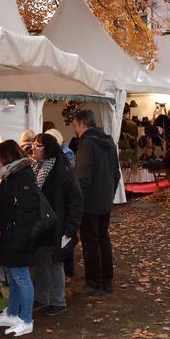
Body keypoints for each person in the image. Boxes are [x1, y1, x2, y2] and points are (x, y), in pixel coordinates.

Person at [0, 140, 41, 336]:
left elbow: (27, 211)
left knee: (21, 277)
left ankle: (27, 319)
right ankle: (13, 313)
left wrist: (20, 239)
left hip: (18, 237)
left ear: (6, 156)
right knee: (14, 276)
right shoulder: (13, 175)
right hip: (11, 235)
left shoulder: (21, 176)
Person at [31, 133, 83, 316]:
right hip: (42, 224)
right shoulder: (36, 167)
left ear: (48, 148)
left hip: (57, 225)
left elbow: (75, 199)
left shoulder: (61, 169)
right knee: (41, 261)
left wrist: (70, 227)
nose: (33, 148)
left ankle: (58, 301)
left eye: (38, 145)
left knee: (55, 263)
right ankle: (41, 297)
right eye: (34, 144)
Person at [71, 110, 120, 295]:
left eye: (75, 125)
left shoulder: (86, 144)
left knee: (91, 241)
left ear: (82, 124)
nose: (75, 130)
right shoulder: (108, 142)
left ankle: (95, 282)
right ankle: (106, 280)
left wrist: (78, 202)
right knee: (102, 239)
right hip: (104, 201)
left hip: (90, 203)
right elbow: (116, 173)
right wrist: (109, 194)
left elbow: (82, 177)